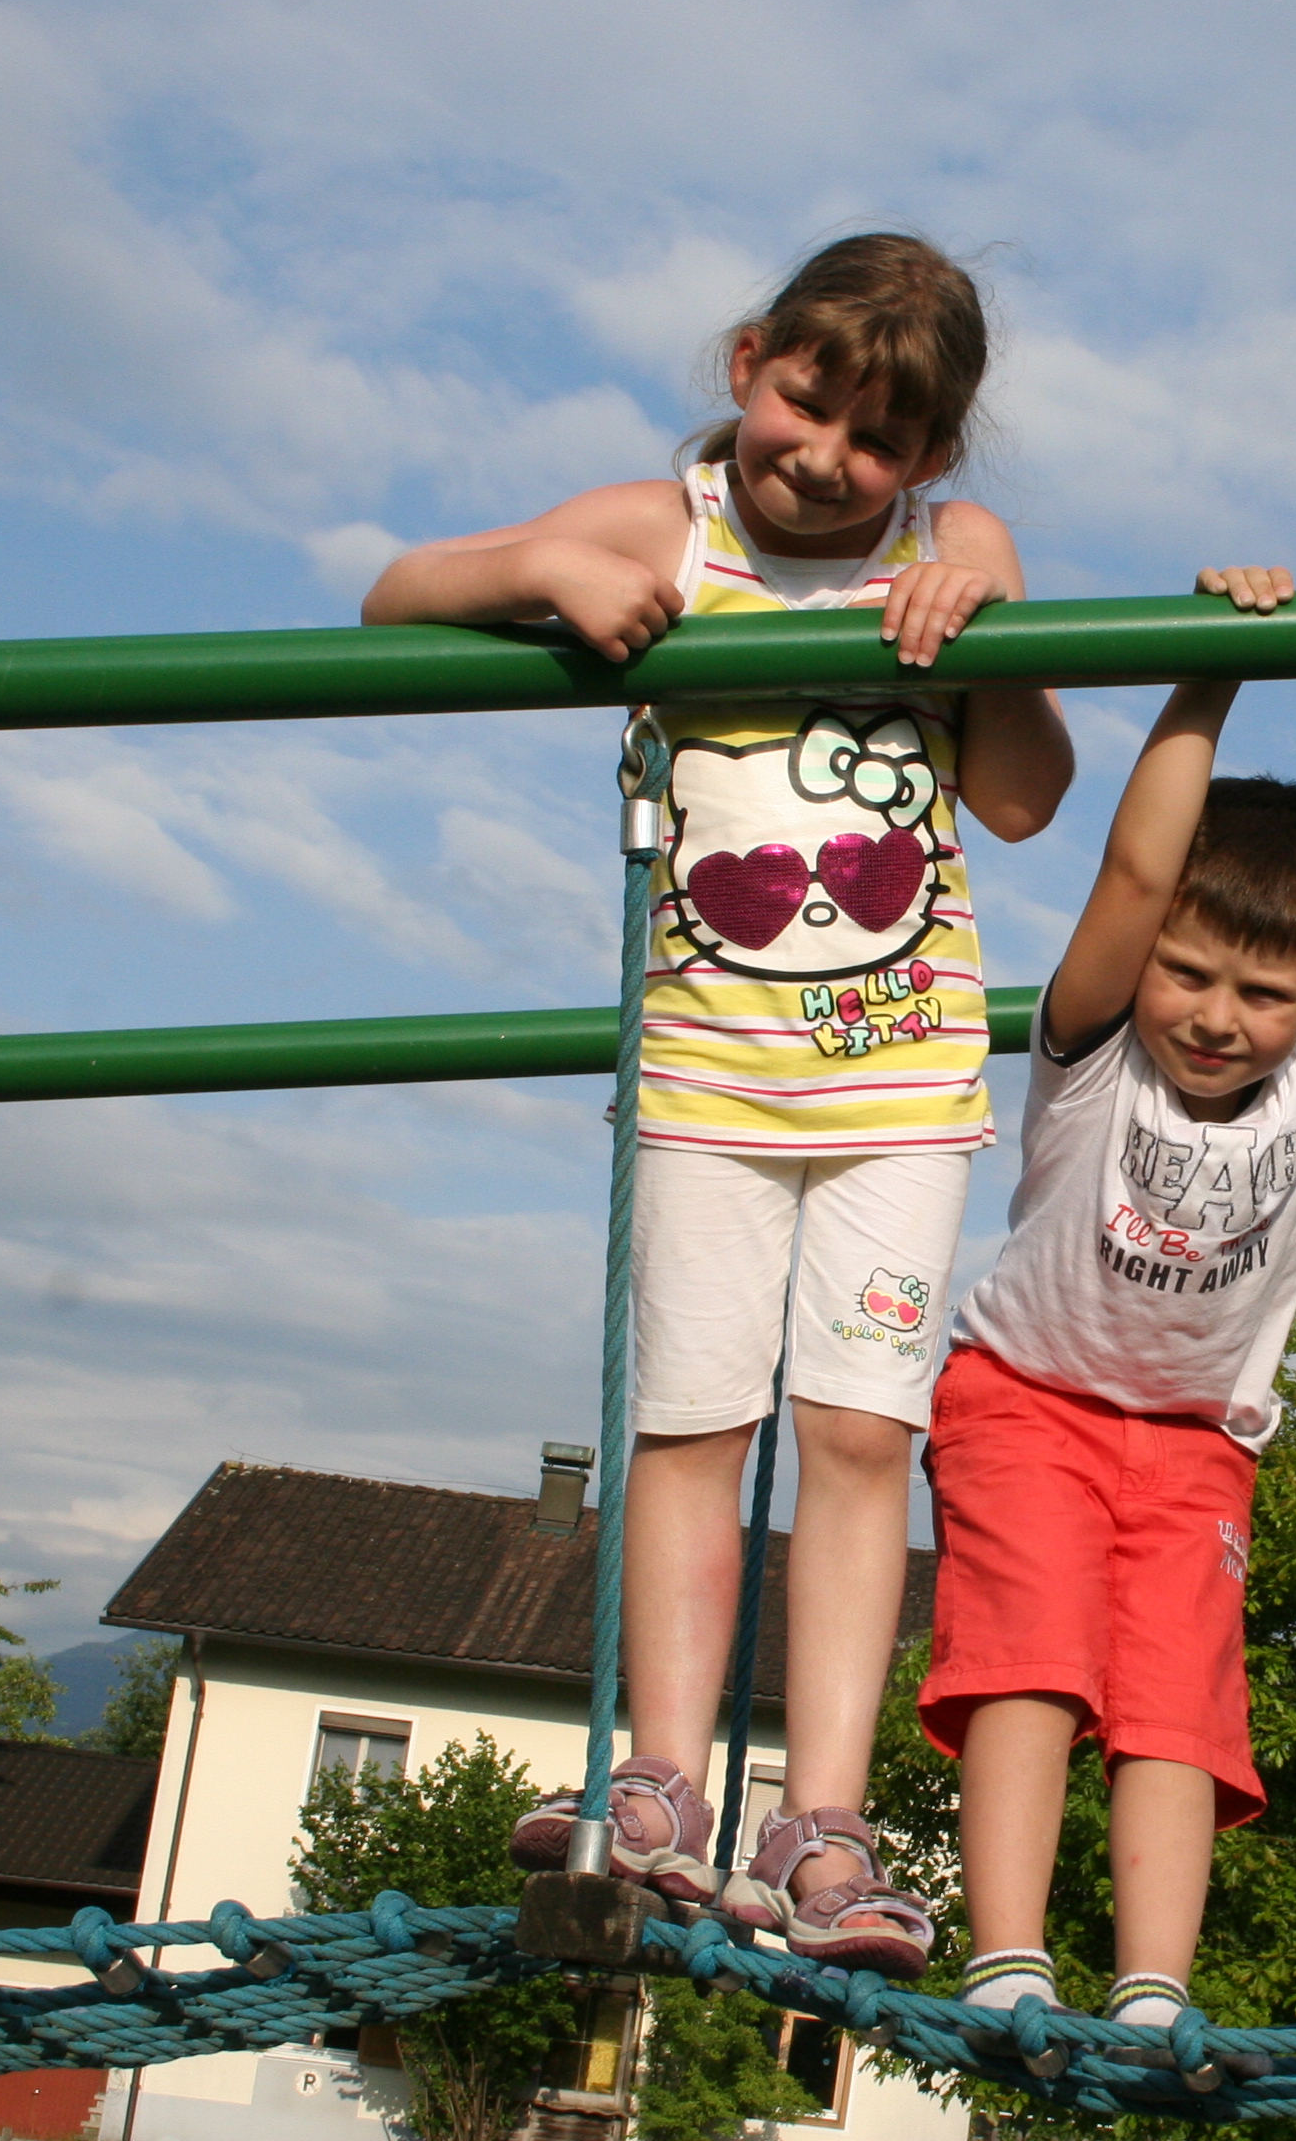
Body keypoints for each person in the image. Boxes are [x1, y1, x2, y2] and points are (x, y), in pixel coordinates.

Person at [360, 233, 1072, 1975]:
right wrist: (546, 568)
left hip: (899, 1084)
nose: (823, 457)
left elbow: (1026, 798)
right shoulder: (662, 526)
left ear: (932, 455)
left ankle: (821, 1818)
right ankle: (665, 1776)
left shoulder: (955, 550)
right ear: (751, 361)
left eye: (878, 439)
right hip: (702, 1078)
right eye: (802, 401)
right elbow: (394, 592)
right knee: (691, 1427)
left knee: (860, 1437)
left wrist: (984, 637)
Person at [918, 659, 1296, 2044]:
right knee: (1030, 1661)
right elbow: (1136, 871)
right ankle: (1006, 1959)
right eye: (1186, 971)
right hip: (1029, 1402)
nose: (1214, 1016)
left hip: (1197, 1447)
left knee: (1178, 1706)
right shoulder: (1096, 1048)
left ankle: (1152, 1989)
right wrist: (1207, 679)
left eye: (1260, 991)